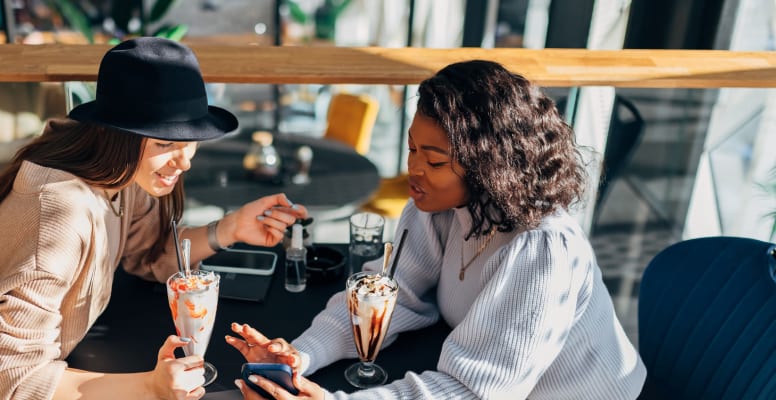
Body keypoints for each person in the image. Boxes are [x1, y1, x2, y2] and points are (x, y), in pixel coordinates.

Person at [0, 37, 308, 400]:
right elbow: (15, 378)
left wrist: (231, 228)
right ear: (120, 135)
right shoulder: (59, 217)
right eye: (166, 143)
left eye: (190, 142)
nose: (184, 160)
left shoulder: (120, 175)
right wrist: (151, 386)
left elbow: (148, 253)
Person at [227, 60, 647, 399]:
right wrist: (299, 355)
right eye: (412, 149)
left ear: (489, 166)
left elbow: (474, 392)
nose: (414, 170)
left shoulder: (543, 249)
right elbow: (384, 295)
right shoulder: (439, 206)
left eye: (435, 160)